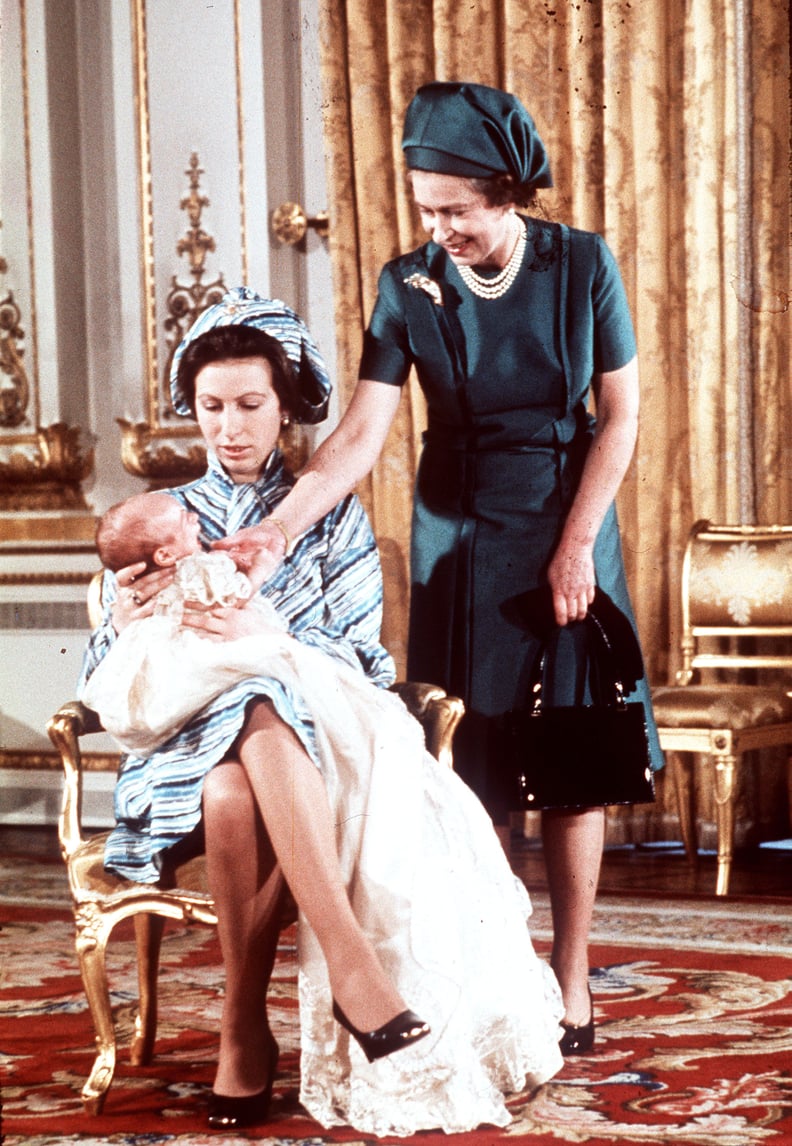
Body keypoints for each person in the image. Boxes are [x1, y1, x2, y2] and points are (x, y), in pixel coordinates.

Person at [205, 82, 665, 1059]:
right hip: (460, 541)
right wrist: (278, 528)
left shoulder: (583, 266)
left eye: (457, 209)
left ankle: (574, 978)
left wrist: (579, 542)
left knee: (575, 764)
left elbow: (619, 416)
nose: (440, 229)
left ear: (507, 194)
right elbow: (361, 432)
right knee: (475, 765)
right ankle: (498, 975)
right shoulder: (404, 286)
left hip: (567, 516)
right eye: (426, 209)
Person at [78, 303, 564, 1136]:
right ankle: (348, 971)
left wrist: (265, 638)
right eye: (212, 407)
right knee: (232, 746)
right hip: (182, 750)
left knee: (256, 722)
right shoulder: (158, 525)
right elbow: (109, 682)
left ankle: (244, 1029)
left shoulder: (327, 512)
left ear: (286, 404)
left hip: (312, 739)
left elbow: (356, 656)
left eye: (250, 405)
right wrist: (126, 622)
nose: (230, 428)